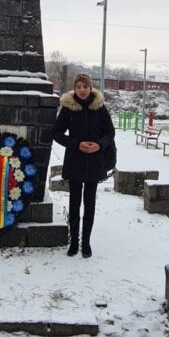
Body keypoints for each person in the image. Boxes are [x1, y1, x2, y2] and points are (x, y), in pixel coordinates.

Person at [52, 73, 115, 258]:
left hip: (95, 162)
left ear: (90, 87)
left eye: (85, 86)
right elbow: (57, 133)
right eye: (78, 87)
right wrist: (76, 144)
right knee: (74, 204)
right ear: (74, 88)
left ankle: (86, 243)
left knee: (90, 204)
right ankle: (74, 242)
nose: (82, 90)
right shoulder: (68, 108)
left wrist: (100, 145)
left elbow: (110, 132)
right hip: (75, 161)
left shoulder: (99, 107)